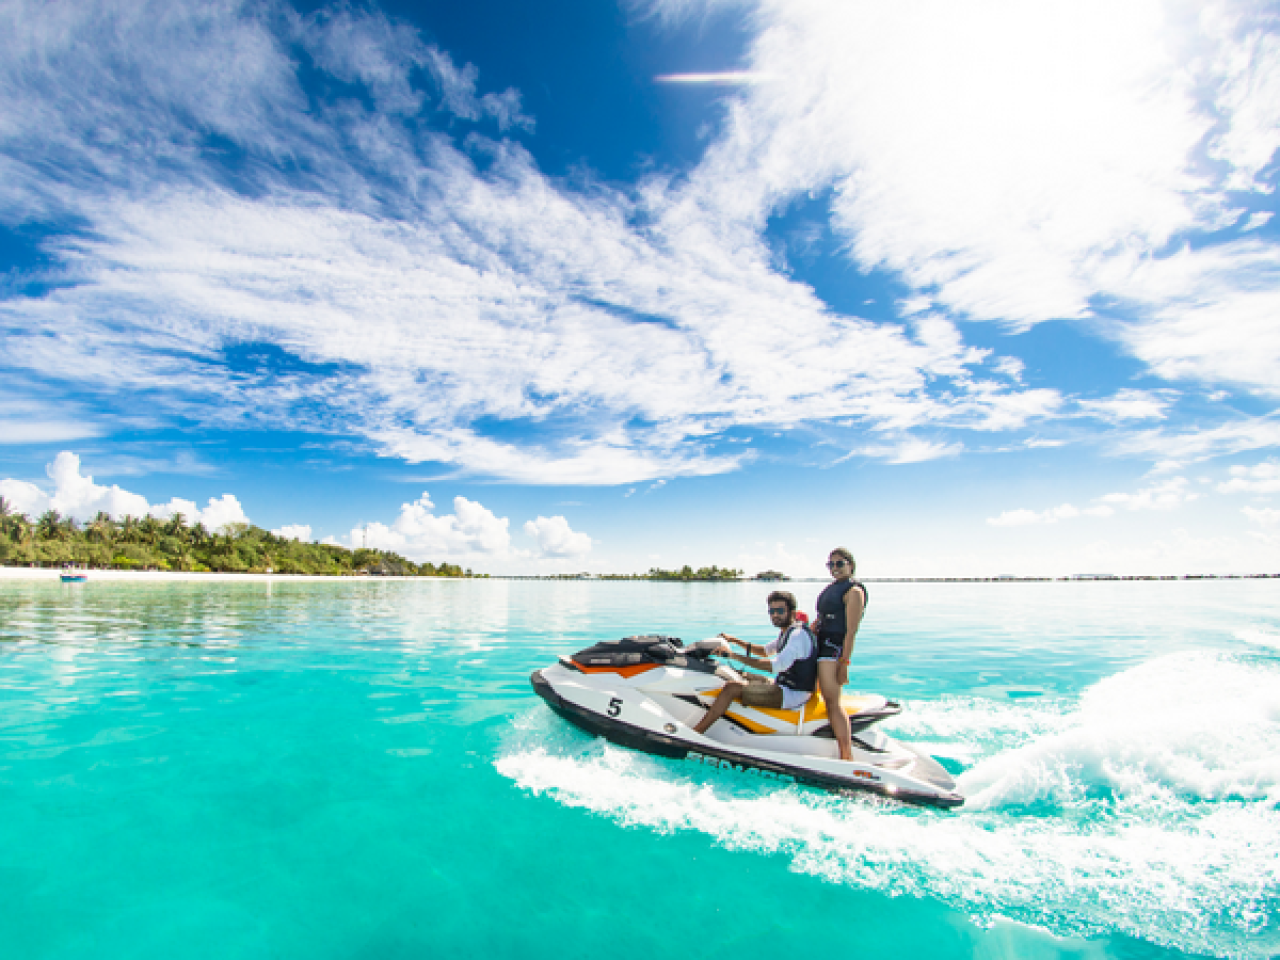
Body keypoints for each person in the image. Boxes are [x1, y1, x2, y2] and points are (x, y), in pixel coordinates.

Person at [692, 590, 817, 735]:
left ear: (793, 613)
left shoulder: (797, 636)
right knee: (735, 674)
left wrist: (733, 655)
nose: (775, 615)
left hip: (792, 695)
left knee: (731, 687)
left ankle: (697, 732)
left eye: (780, 610)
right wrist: (734, 640)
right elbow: (765, 651)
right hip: (784, 685)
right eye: (772, 611)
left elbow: (774, 666)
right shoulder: (788, 632)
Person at [814, 547, 867, 761]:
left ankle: (846, 755)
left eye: (839, 563)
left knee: (832, 702)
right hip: (820, 645)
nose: (835, 568)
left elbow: (851, 630)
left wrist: (844, 662)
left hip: (833, 650)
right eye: (831, 564)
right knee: (817, 695)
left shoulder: (854, 591)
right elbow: (824, 617)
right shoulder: (833, 588)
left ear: (850, 565)